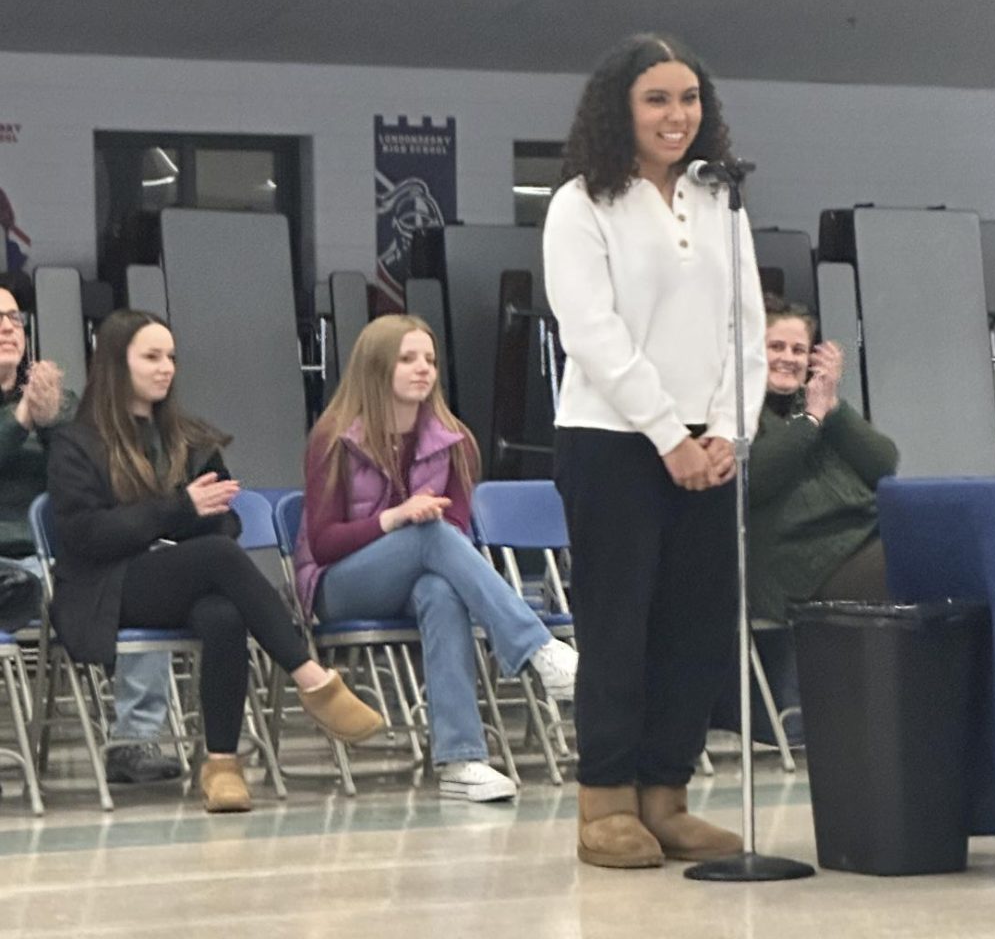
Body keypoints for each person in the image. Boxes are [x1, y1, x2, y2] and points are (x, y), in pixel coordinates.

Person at [543, 32, 767, 869]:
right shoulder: (580, 203)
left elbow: (745, 323)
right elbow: (593, 334)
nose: (678, 116)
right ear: (621, 110)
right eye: (657, 100)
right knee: (620, 623)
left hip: (707, 444)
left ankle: (664, 793)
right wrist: (669, 435)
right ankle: (604, 801)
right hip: (612, 443)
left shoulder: (719, 200)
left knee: (696, 627)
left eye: (688, 99)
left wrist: (727, 432)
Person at [47, 309, 385, 813]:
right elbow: (86, 535)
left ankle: (222, 764)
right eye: (151, 357)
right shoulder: (77, 443)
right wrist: (177, 511)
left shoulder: (189, 439)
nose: (166, 368)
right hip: (103, 589)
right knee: (217, 558)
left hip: (177, 577)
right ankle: (310, 677)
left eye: (171, 357)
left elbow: (226, 522)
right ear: (118, 365)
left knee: (223, 615)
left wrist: (185, 521)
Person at [295, 313, 578, 803]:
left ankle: (460, 759)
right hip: (339, 585)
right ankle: (538, 648)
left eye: (429, 359)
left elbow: (458, 534)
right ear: (376, 368)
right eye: (407, 359)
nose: (423, 369)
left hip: (418, 577)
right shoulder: (334, 438)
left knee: (442, 589)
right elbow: (323, 543)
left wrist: (415, 525)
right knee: (428, 533)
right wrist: (396, 518)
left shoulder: (456, 441)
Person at [0, 274, 180, 785]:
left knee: (139, 574)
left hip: (63, 559)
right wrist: (22, 419)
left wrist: (52, 416)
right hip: (7, 559)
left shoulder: (55, 399)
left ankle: (134, 740)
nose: (8, 328)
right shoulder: (27, 408)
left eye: (14, 318)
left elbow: (90, 470)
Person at [748, 295, 899, 623]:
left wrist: (833, 408)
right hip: (805, 563)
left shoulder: (819, 405)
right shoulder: (739, 413)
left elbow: (884, 464)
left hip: (868, 535)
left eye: (799, 350)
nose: (788, 358)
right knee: (922, 563)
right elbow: (757, 476)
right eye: (777, 347)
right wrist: (811, 419)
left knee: (961, 551)